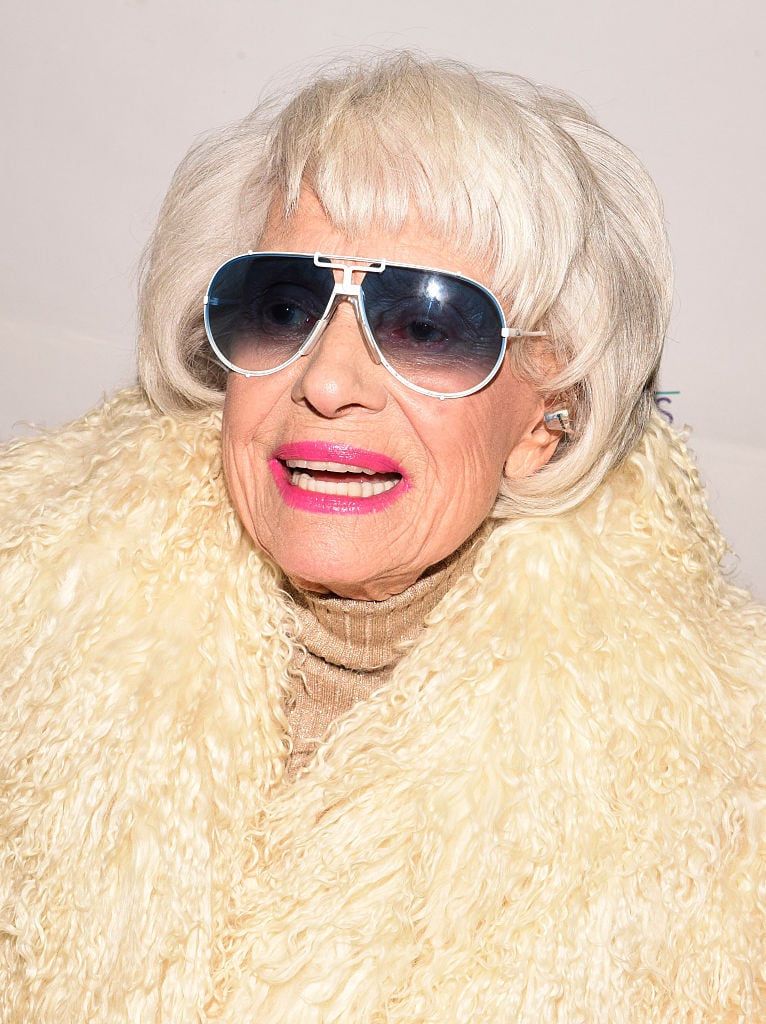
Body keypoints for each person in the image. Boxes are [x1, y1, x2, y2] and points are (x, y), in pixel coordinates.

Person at [0, 53, 764, 1023]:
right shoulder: (25, 624)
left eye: (427, 324)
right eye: (281, 307)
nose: (328, 380)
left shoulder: (725, 796)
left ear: (546, 418)